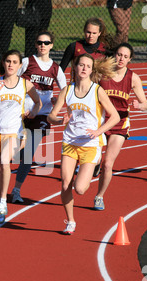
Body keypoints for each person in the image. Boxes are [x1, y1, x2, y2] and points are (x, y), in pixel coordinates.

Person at [47, 54, 120, 235]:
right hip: (70, 141)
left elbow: (115, 116)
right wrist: (59, 121)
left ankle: (95, 164)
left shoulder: (97, 91)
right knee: (65, 184)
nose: (84, 68)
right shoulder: (67, 90)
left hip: (91, 144)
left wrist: (99, 131)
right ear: (76, 67)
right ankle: (70, 221)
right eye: (81, 65)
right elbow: (51, 116)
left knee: (79, 189)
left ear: (91, 70)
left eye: (88, 66)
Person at [0, 49, 42, 223]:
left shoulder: (25, 84)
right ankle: (0, 202)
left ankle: (4, 201)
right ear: (3, 63)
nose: (11, 65)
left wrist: (33, 112)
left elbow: (38, 102)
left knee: (5, 163)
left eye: (14, 62)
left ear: (20, 65)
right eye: (8, 61)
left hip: (15, 131)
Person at [11, 30, 67, 204]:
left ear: (52, 45)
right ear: (35, 44)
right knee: (17, 153)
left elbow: (65, 90)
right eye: (40, 42)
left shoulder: (56, 69)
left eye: (46, 42)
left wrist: (58, 100)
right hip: (21, 112)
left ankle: (16, 190)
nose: (43, 45)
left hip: (42, 114)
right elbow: (12, 79)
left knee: (28, 154)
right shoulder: (27, 62)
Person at [94, 43, 147, 211]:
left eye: (125, 56)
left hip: (120, 124)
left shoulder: (132, 77)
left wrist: (140, 106)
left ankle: (99, 196)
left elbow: (146, 103)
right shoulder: (103, 73)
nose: (121, 59)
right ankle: (95, 164)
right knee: (94, 160)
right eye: (119, 55)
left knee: (108, 164)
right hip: (101, 122)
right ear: (114, 55)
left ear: (130, 59)